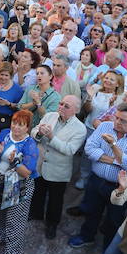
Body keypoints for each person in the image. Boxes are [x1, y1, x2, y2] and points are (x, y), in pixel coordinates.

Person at [69, 102, 127, 249]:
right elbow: (89, 149)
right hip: (96, 180)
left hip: (120, 187)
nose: (117, 123)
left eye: (123, 121)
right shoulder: (104, 126)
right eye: (117, 118)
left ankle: (108, 247)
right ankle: (86, 236)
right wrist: (119, 160)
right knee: (91, 211)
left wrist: (113, 145)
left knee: (114, 219)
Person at [30, 95, 86, 239]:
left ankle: (52, 224)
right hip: (40, 164)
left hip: (58, 170)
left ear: (76, 110)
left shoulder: (80, 129)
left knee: (56, 199)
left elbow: (69, 150)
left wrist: (51, 137)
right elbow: (34, 131)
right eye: (61, 103)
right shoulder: (49, 116)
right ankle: (36, 213)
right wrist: (38, 133)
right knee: (38, 191)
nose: (61, 107)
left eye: (66, 106)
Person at [0, 109, 39, 254]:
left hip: (18, 183)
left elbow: (26, 172)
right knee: (1, 212)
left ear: (28, 128)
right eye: (14, 123)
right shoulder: (4, 133)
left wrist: (15, 162)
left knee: (15, 221)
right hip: (1, 180)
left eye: (21, 125)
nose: (16, 128)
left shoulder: (29, 144)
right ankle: (1, 235)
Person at [0, 62, 24, 132]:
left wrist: (8, 104)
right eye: (1, 74)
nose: (3, 77)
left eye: (6, 75)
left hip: (5, 121)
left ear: (11, 76)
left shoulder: (17, 89)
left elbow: (20, 107)